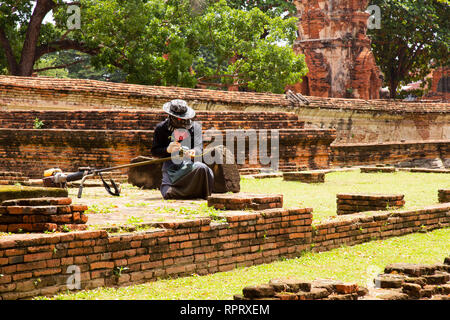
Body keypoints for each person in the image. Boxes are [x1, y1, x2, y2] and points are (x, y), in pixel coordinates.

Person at [151, 99, 214, 199]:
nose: (182, 121)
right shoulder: (161, 128)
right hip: (171, 168)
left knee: (202, 168)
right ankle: (185, 191)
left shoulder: (195, 128)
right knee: (168, 193)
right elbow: (155, 151)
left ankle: (196, 191)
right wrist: (167, 149)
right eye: (179, 119)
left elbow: (199, 147)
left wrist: (194, 152)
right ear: (171, 117)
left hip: (190, 166)